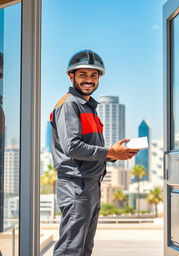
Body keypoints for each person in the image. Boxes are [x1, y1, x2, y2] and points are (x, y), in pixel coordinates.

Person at [50, 49, 139, 256]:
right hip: (76, 186)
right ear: (71, 76)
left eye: (94, 75)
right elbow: (71, 147)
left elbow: (87, 148)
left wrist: (114, 154)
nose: (89, 80)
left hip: (90, 183)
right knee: (70, 249)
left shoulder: (88, 107)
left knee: (84, 248)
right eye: (83, 75)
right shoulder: (69, 105)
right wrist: (110, 151)